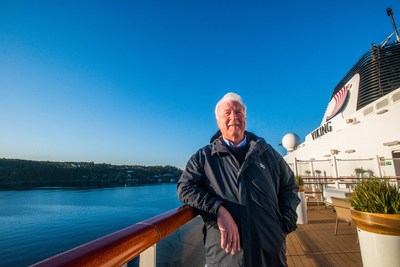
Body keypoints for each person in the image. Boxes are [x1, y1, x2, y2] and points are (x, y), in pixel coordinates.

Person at [177, 92, 300, 267]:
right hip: (226, 255)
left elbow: (289, 187)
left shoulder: (268, 153)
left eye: (238, 112)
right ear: (218, 122)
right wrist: (218, 209)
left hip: (270, 252)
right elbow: (185, 187)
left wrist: (285, 224)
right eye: (227, 113)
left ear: (245, 118)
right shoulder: (204, 157)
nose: (233, 117)